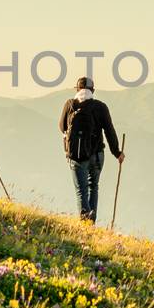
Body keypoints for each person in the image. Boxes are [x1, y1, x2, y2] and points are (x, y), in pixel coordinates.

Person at [59, 76, 123, 223]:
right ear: (92, 90)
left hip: (76, 156)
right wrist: (117, 152)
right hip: (97, 155)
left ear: (77, 89)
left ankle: (85, 222)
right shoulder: (100, 107)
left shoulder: (70, 105)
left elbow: (62, 127)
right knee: (93, 186)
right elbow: (109, 131)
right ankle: (91, 221)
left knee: (81, 191)